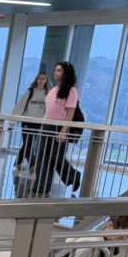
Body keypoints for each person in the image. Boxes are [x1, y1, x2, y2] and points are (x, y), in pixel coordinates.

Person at [33, 61, 79, 195]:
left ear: (66, 73)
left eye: (59, 70)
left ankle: (73, 175)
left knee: (56, 157)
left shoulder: (71, 91)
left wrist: (64, 131)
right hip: (47, 125)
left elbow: (70, 113)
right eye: (55, 70)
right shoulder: (53, 89)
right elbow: (48, 110)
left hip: (59, 127)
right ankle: (40, 186)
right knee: (42, 157)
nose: (55, 73)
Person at [12, 72, 49, 189]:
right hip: (27, 122)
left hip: (38, 123)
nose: (41, 80)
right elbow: (20, 105)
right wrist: (12, 121)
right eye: (39, 78)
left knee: (28, 143)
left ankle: (18, 162)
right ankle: (33, 164)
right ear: (36, 79)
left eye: (43, 79)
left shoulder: (47, 94)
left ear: (46, 81)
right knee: (29, 143)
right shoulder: (30, 91)